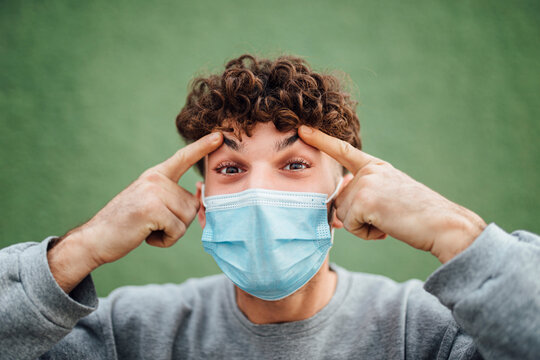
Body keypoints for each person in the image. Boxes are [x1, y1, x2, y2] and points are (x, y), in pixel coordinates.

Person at [0, 54, 538, 360]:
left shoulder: (430, 336)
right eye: (231, 169)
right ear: (203, 203)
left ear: (344, 196)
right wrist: (82, 248)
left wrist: (451, 230)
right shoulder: (130, 334)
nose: (258, 194)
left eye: (295, 165)